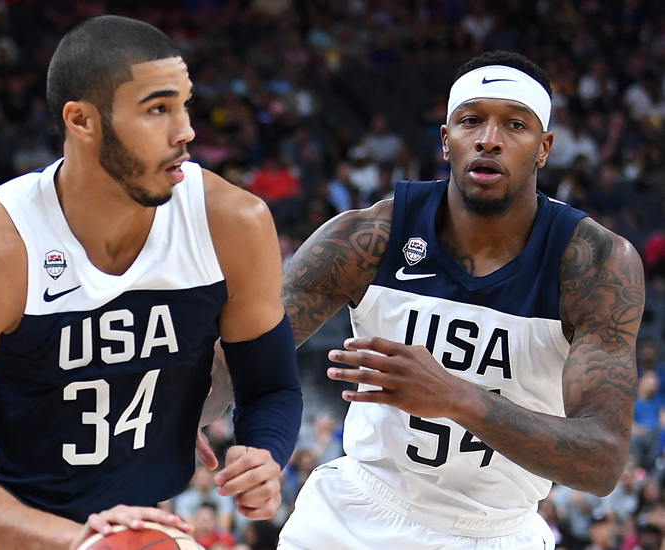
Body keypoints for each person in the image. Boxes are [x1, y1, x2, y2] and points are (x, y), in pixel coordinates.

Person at [211, 50, 644, 549]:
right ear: (446, 139)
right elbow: (240, 355)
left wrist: (458, 398)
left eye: (515, 125)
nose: (489, 139)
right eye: (471, 121)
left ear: (544, 147)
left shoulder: (595, 263)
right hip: (354, 516)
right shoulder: (365, 238)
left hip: (497, 532)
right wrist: (173, 429)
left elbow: (603, 461)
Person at [0, 15, 302, 550]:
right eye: (157, 108)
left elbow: (272, 386)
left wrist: (264, 452)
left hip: (141, 528)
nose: (185, 129)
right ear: (82, 120)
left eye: (184, 105)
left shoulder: (232, 224)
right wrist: (81, 543)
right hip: (0, 533)